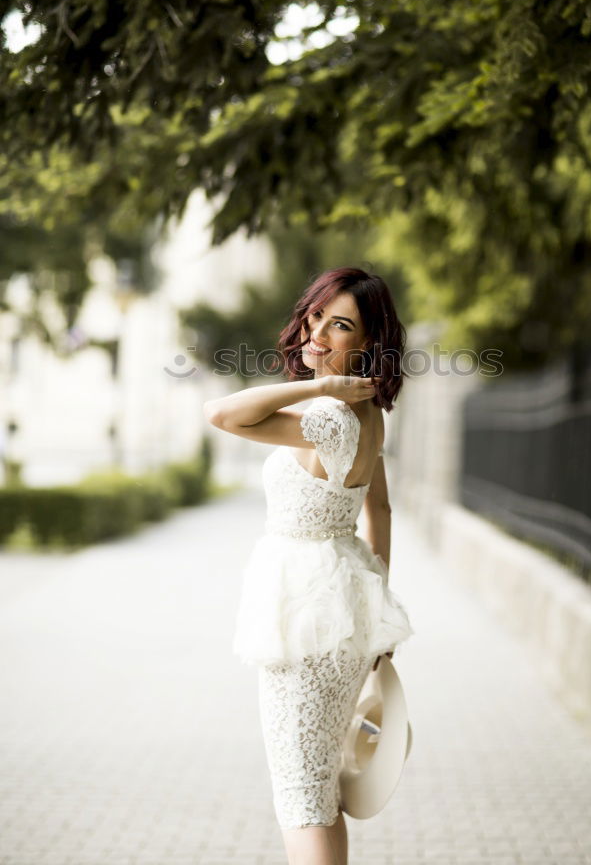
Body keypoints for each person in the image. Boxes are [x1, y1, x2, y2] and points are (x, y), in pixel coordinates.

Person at [203, 266, 414, 865]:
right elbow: (381, 508)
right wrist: (376, 613)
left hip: (303, 613)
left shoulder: (326, 417)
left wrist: (316, 390)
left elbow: (220, 412)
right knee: (321, 794)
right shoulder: (371, 416)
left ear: (368, 344)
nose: (318, 331)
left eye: (340, 324)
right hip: (340, 606)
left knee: (300, 796)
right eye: (317, 315)